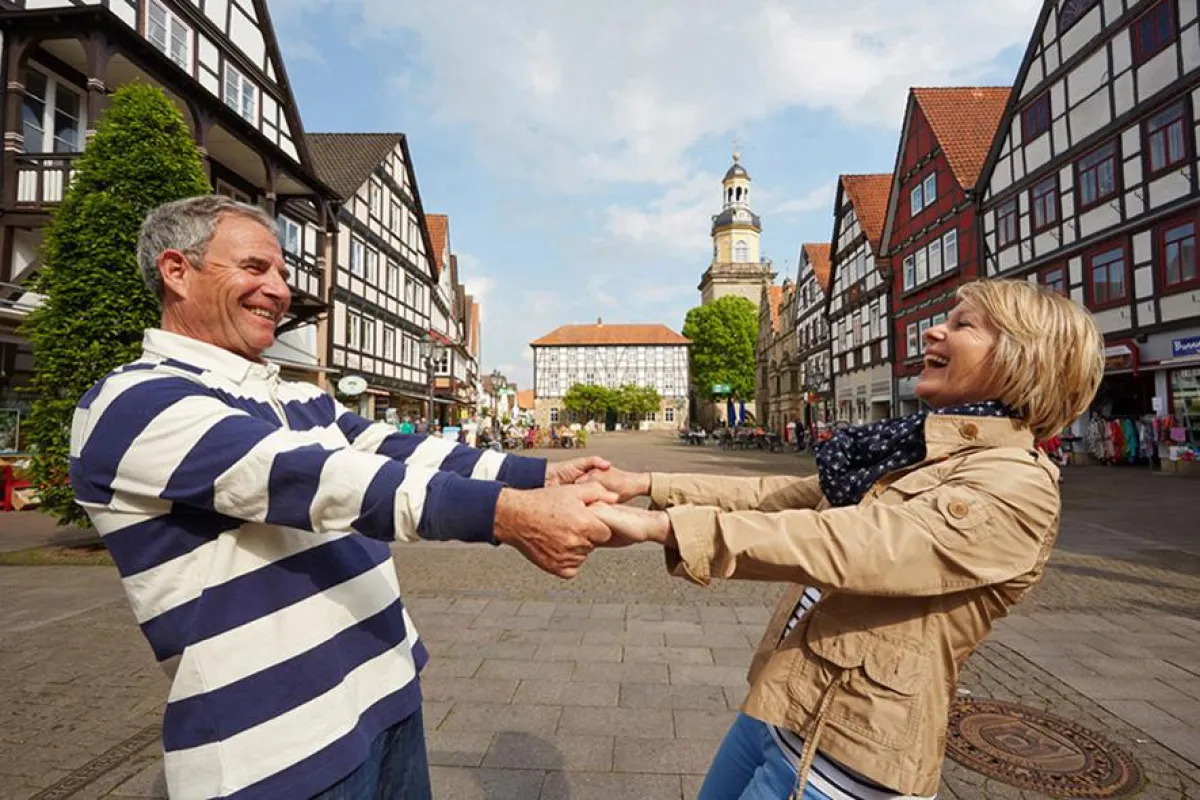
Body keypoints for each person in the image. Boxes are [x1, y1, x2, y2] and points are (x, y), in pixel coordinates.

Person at [68, 196, 617, 800]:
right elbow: (319, 479)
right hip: (275, 744)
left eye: (280, 272)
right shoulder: (133, 402)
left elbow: (399, 452)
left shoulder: (298, 396)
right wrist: (505, 516)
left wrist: (538, 478)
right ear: (177, 271)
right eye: (254, 268)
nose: (278, 290)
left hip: (385, 693)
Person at [586, 279, 1104, 800]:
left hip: (844, 759)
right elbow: (782, 494)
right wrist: (645, 485)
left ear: (1023, 358)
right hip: (782, 707)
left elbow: (857, 543)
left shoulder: (1018, 484)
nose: (934, 331)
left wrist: (664, 527)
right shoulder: (919, 450)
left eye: (963, 324)